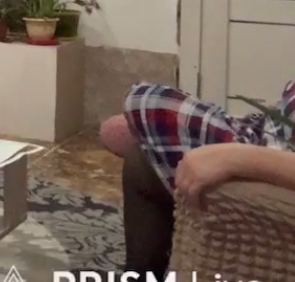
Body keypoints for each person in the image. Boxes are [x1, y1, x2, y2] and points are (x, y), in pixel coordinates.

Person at [120, 80, 295, 277]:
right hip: (273, 130)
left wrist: (237, 158)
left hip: (269, 150)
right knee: (140, 150)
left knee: (143, 136)